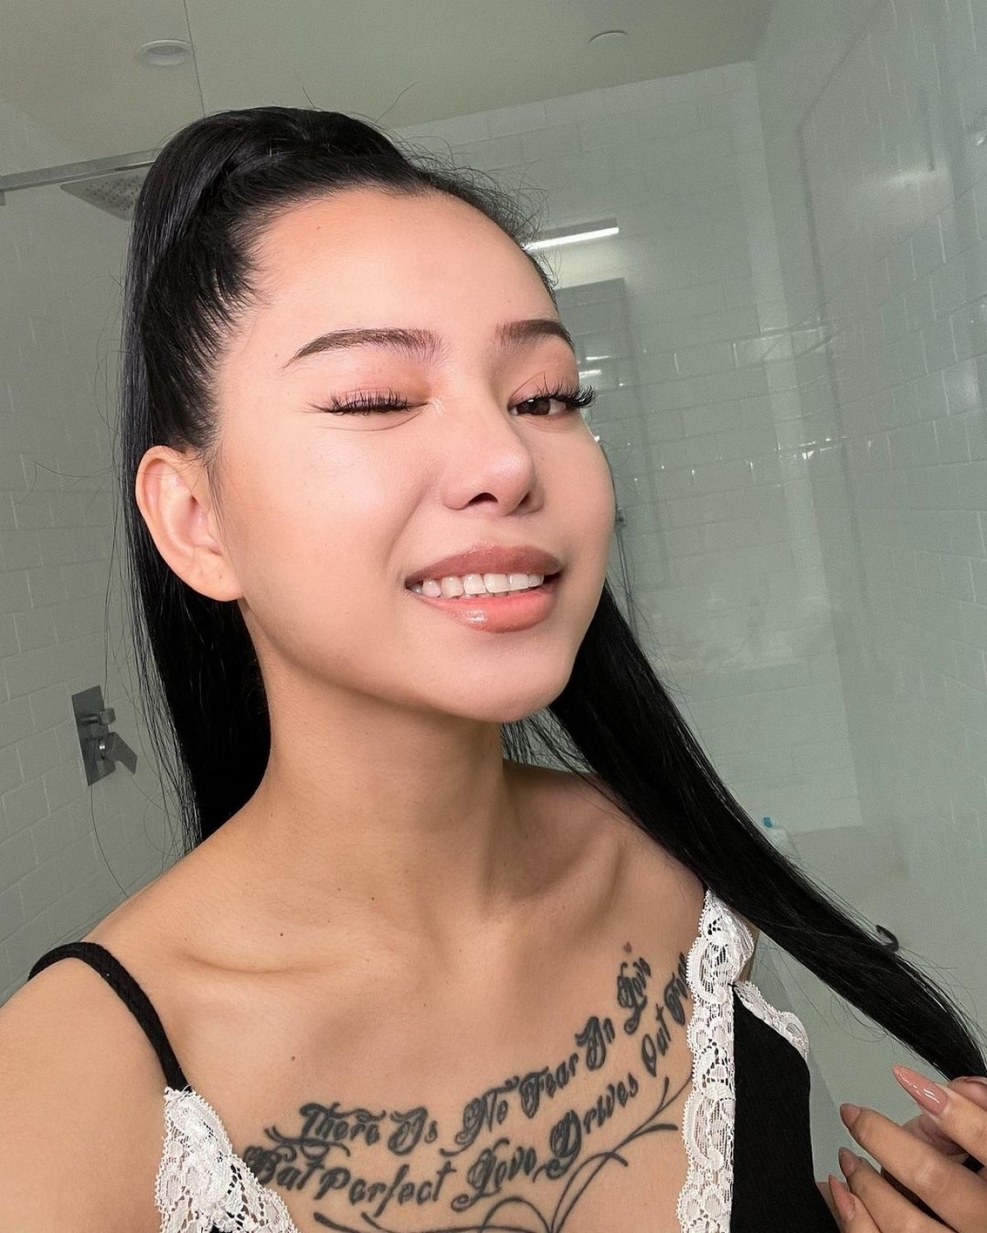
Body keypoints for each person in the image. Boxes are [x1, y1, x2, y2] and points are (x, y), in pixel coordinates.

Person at [0, 106, 984, 1233]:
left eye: (546, 396)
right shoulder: (60, 1103)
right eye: (376, 399)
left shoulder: (669, 870)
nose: (508, 460)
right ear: (195, 520)